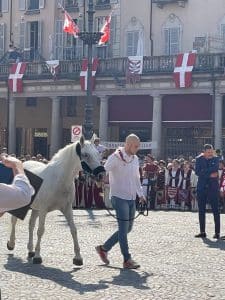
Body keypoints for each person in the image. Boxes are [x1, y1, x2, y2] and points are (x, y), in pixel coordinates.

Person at [95, 134, 145, 269]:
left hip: (131, 198)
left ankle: (104, 248)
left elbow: (136, 178)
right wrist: (99, 178)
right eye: (136, 146)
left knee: (128, 228)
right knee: (123, 229)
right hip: (118, 197)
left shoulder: (135, 159)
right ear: (128, 144)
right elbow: (103, 170)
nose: (138, 148)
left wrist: (141, 194)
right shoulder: (115, 157)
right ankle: (127, 259)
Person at [195, 144, 220, 239]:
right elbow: (197, 172)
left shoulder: (216, 159)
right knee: (201, 210)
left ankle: (217, 233)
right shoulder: (199, 159)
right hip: (201, 187)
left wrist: (204, 171)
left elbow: (215, 169)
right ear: (204, 152)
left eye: (211, 152)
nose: (210, 154)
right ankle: (202, 231)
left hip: (213, 188)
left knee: (215, 210)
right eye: (208, 152)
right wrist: (209, 175)